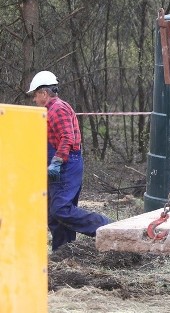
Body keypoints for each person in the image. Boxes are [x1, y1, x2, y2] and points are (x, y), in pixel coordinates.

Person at [28, 70, 111, 251]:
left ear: (44, 93)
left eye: (35, 96)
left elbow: (67, 137)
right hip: (59, 164)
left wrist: (57, 162)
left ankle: (106, 227)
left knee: (61, 209)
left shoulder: (58, 109)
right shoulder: (48, 111)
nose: (34, 100)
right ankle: (64, 251)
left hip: (66, 165)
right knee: (53, 213)